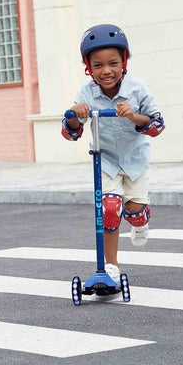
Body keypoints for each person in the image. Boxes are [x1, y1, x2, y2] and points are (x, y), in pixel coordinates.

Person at [62, 24, 165, 284]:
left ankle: (140, 221)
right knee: (109, 209)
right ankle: (110, 267)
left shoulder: (138, 88)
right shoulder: (85, 93)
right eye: (98, 65)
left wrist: (133, 115)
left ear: (124, 62)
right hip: (105, 161)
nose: (106, 71)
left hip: (135, 160)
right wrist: (75, 114)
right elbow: (70, 132)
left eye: (113, 63)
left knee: (133, 211)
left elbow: (157, 126)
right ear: (89, 67)